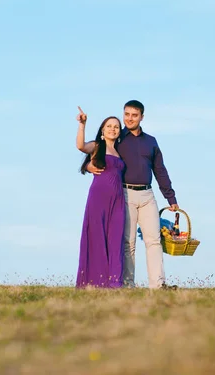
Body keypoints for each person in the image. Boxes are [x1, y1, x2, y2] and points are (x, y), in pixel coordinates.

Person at [86, 100, 178, 290]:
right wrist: (88, 166)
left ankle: (158, 284)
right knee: (128, 242)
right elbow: (98, 155)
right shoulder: (117, 139)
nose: (129, 118)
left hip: (147, 196)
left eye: (134, 115)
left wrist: (171, 198)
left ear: (141, 117)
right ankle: (128, 284)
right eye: (126, 114)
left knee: (153, 240)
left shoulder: (151, 141)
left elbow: (160, 170)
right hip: (125, 195)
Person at [74, 107, 126, 289]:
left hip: (118, 200)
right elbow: (80, 146)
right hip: (98, 198)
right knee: (97, 236)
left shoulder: (120, 151)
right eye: (109, 126)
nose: (113, 129)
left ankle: (115, 282)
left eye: (116, 127)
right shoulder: (97, 146)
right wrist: (82, 125)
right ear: (103, 130)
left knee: (116, 238)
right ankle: (96, 281)